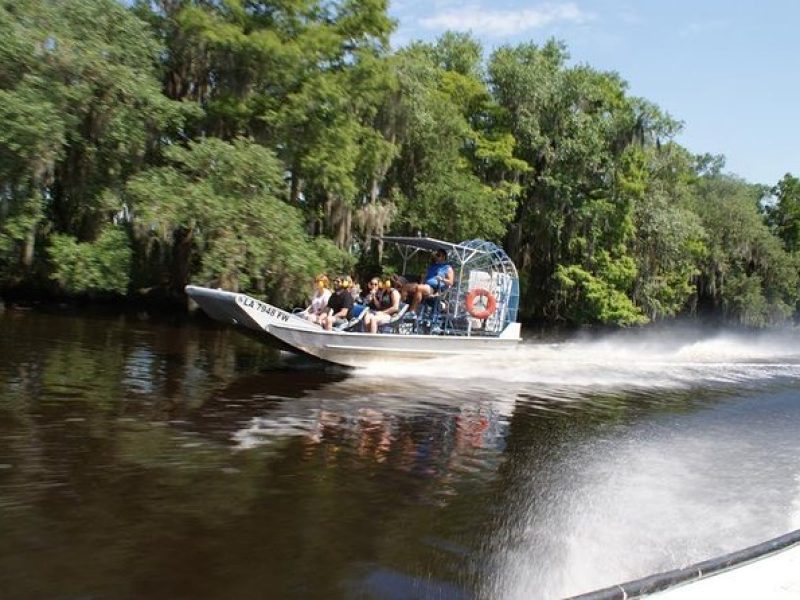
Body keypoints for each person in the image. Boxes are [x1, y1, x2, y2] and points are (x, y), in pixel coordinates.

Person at [410, 247, 454, 314]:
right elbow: (424, 277)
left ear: (443, 257)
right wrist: (422, 280)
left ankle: (411, 313)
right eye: (436, 254)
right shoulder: (432, 266)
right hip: (425, 286)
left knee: (419, 288)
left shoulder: (447, 268)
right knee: (406, 287)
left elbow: (451, 282)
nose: (436, 256)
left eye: (438, 255)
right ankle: (399, 313)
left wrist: (442, 279)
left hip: (434, 289)